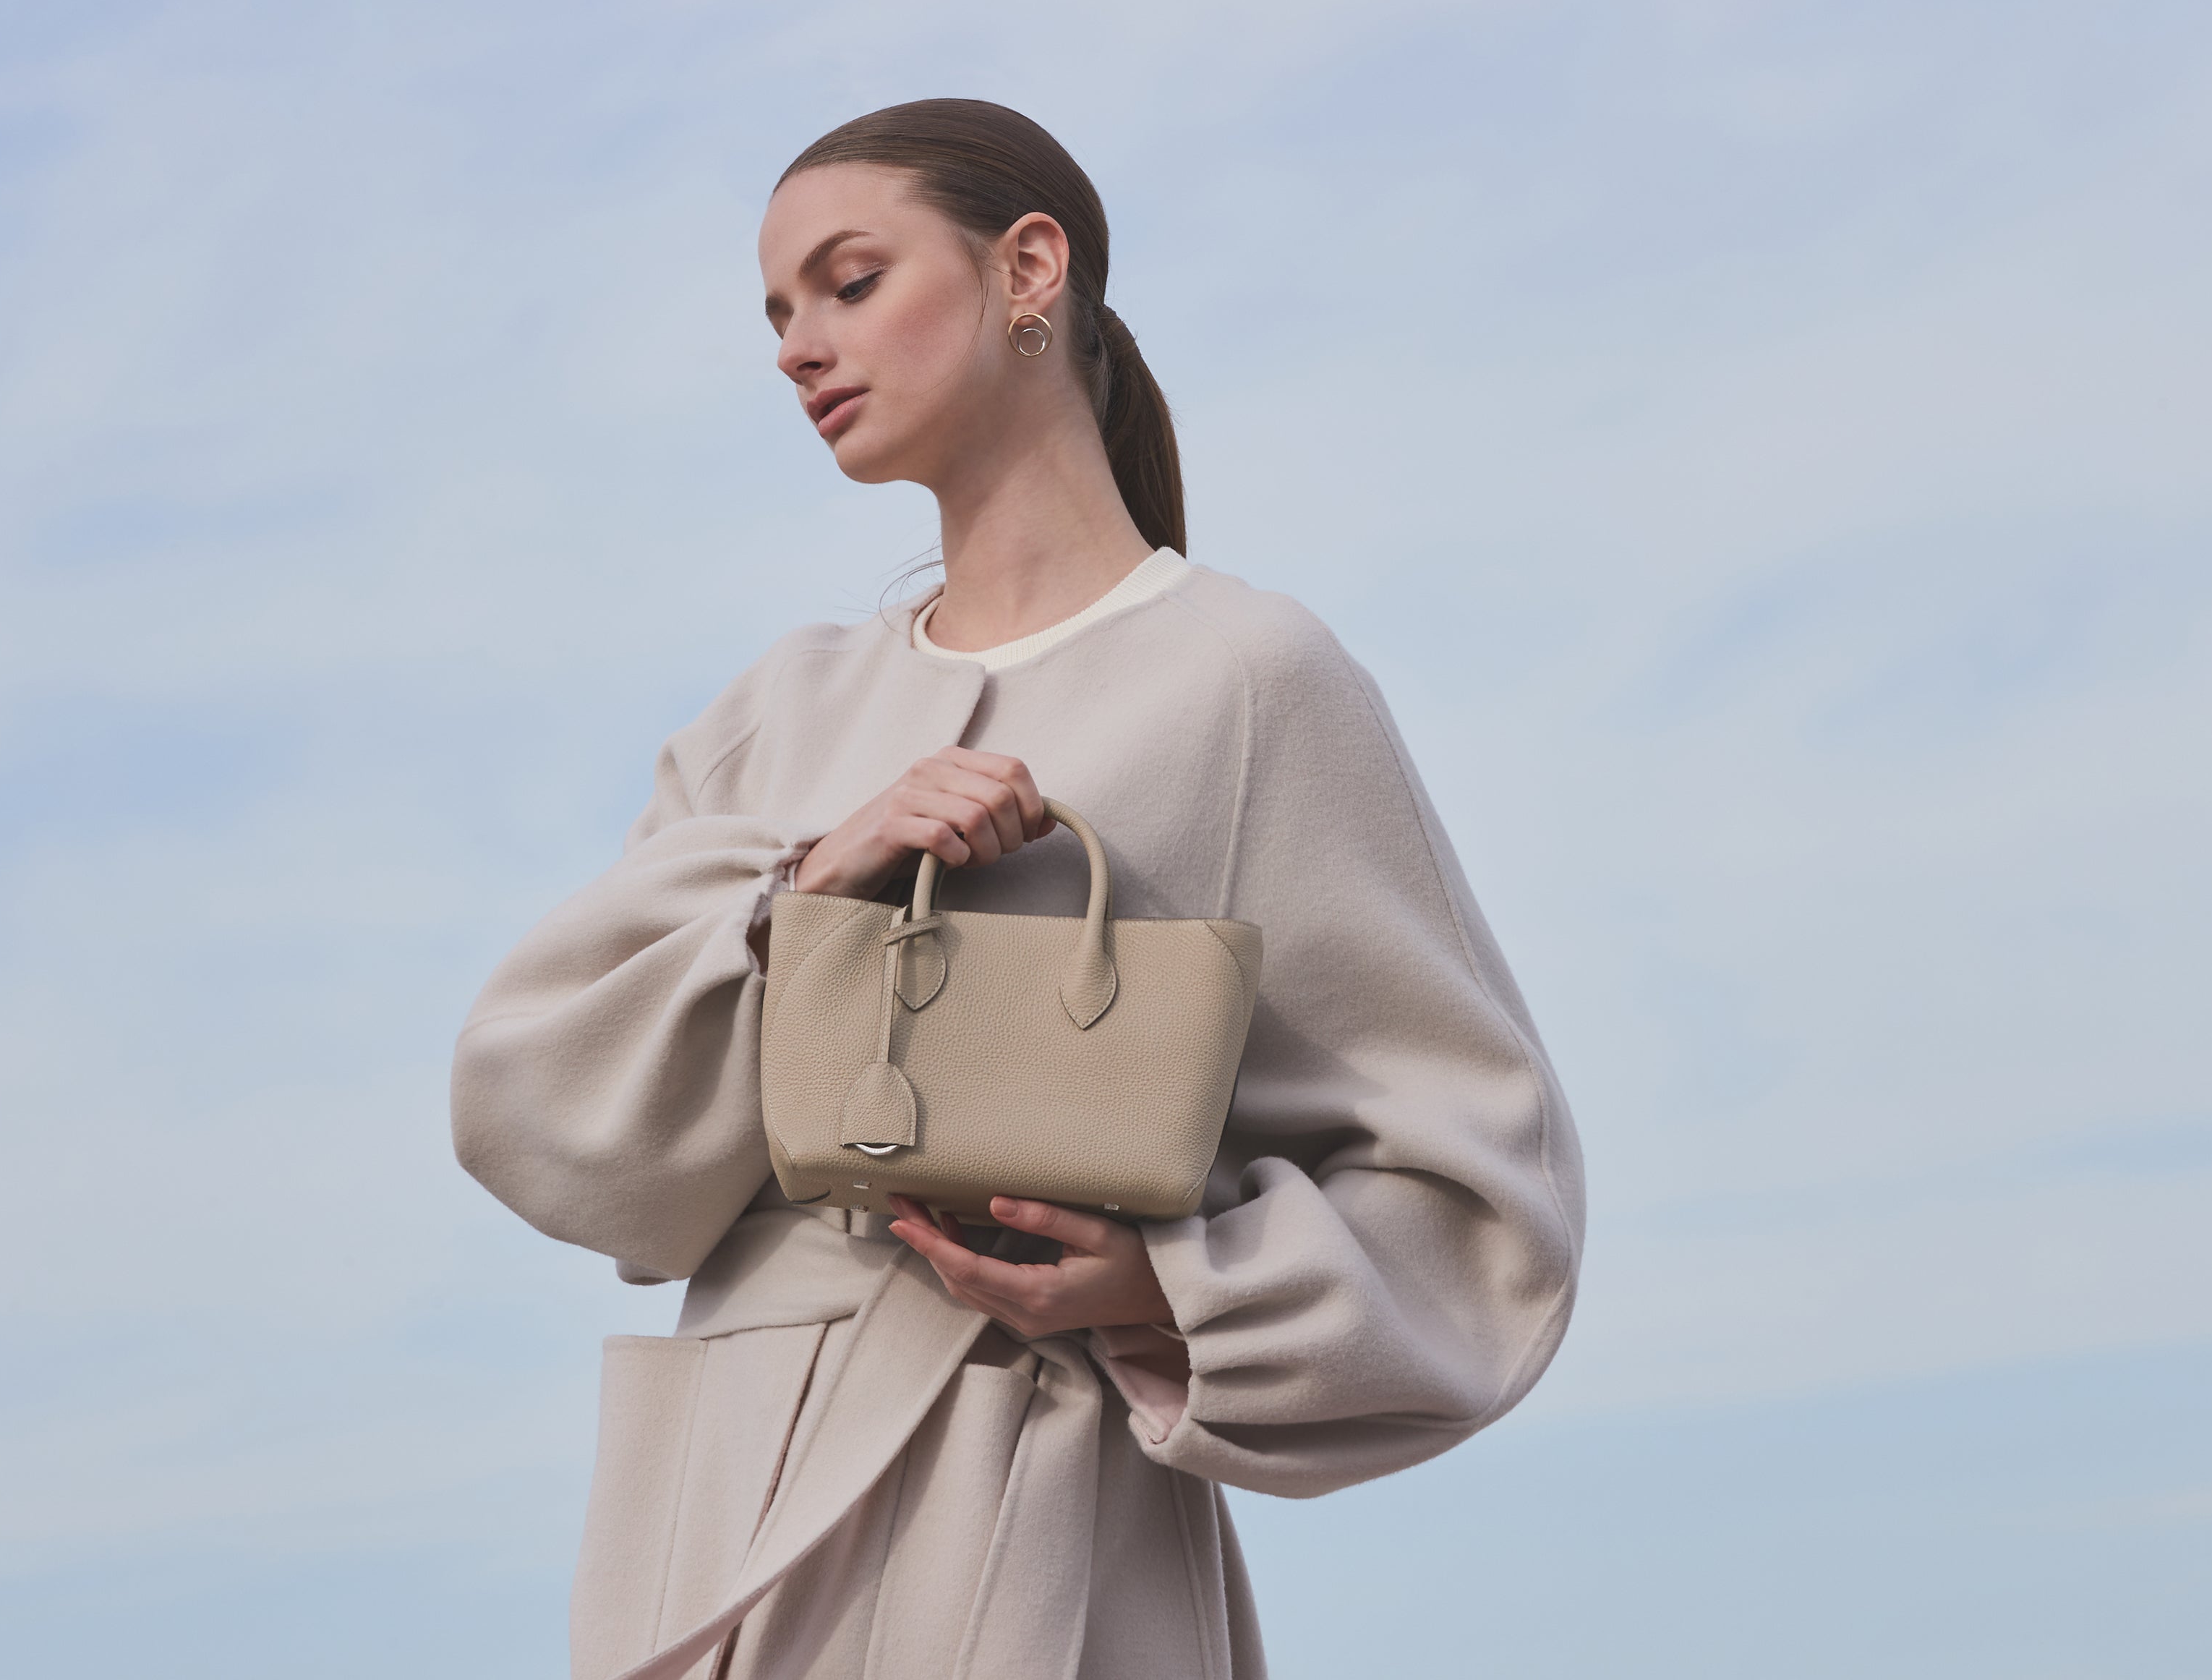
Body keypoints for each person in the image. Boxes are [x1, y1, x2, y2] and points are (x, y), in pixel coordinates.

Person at [450, 98, 1584, 1680]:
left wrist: (1171, 1286)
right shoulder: (779, 710)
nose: (795, 346)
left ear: (1027, 270)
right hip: (718, 1517)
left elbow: (1479, 1204)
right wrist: (805, 886)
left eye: (847, 284)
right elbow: (541, 1105)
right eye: (775, 312)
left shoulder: (1249, 680)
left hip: (1031, 1504)